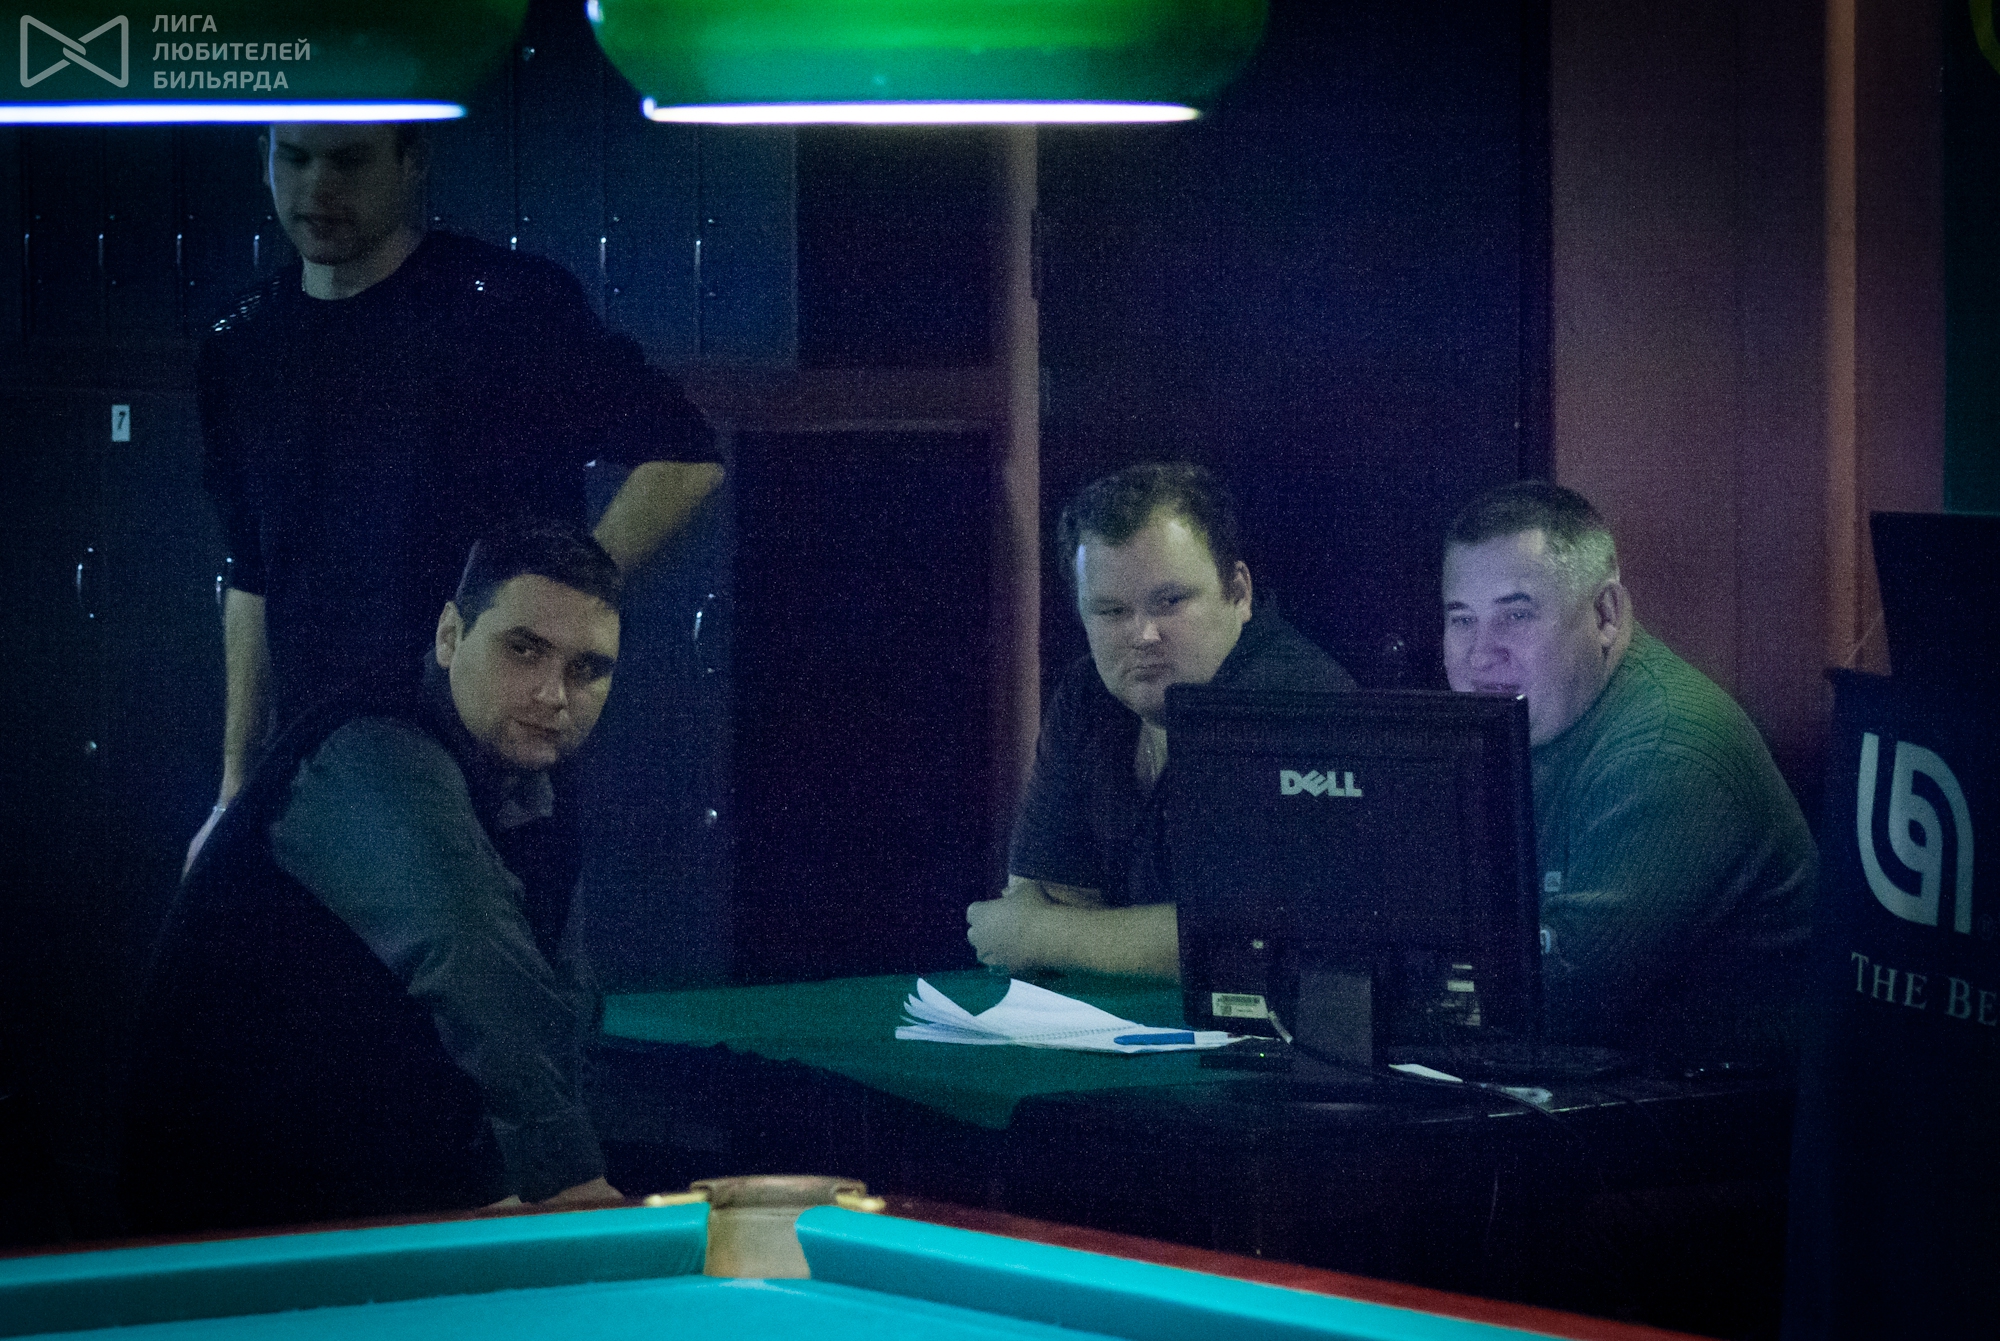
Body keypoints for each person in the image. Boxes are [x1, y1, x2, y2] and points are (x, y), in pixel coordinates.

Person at [189, 120, 723, 866]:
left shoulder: (507, 308)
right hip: (319, 763)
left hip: (485, 759)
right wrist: (233, 791)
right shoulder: (242, 343)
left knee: (492, 939)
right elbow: (253, 577)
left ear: (411, 162)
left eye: (348, 161)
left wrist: (562, 597)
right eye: (296, 158)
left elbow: (685, 453)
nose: (318, 187)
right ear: (264, 159)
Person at [124, 522, 628, 1232]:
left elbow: (559, 1000)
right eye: (524, 649)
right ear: (450, 636)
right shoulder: (369, 752)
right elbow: (473, 950)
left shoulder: (526, 784)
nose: (555, 694)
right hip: (231, 1220)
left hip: (360, 1192)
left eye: (588, 668)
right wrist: (571, 1182)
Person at [1441, 481, 1815, 1062]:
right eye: (1462, 619)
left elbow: (1557, 1001)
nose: (1481, 654)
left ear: (1605, 615)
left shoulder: (1668, 751)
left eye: (1515, 615)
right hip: (1603, 1083)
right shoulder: (1521, 722)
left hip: (1716, 1103)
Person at [967, 463, 1355, 980]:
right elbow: (1038, 893)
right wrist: (1063, 931)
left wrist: (1040, 936)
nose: (1144, 635)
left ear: (1239, 593)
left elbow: (1254, 937)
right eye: (1110, 611)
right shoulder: (1088, 695)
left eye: (1170, 601)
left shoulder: (1292, 699)